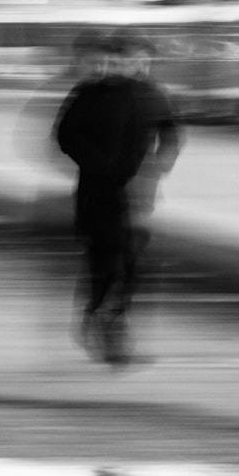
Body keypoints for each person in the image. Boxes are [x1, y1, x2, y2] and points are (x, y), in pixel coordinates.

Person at [56, 29, 182, 366]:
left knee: (134, 262)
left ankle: (110, 324)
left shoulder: (154, 94)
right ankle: (99, 319)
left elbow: (172, 133)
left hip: (139, 195)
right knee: (106, 262)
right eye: (132, 58)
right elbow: (66, 136)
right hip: (99, 194)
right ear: (119, 59)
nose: (139, 65)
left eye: (145, 59)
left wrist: (158, 167)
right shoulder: (89, 93)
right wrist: (102, 168)